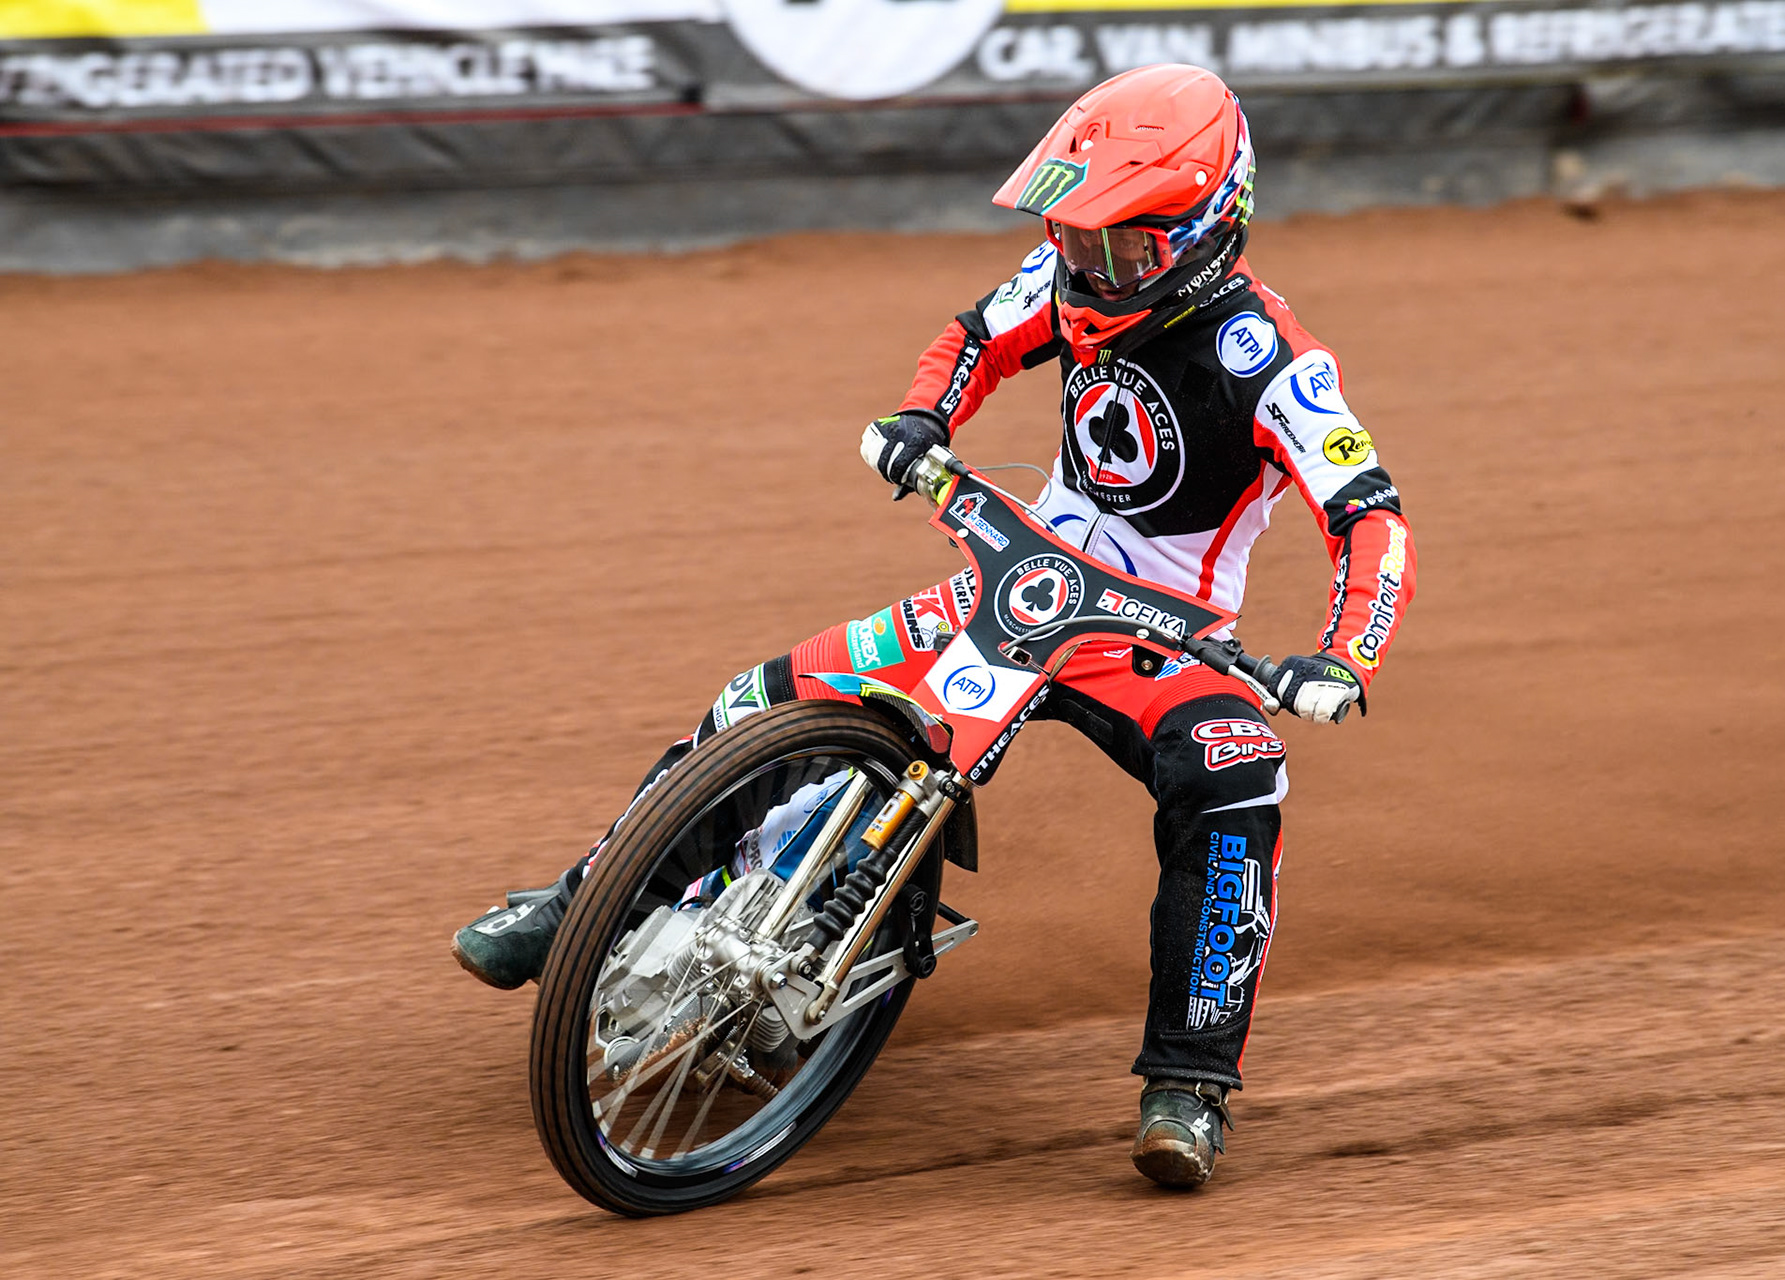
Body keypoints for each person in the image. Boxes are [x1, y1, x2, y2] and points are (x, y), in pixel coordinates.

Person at [452, 63, 1416, 1190]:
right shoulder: (1071, 268)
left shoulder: (1274, 361)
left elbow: (1371, 516)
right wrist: (922, 416)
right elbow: (974, 337)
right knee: (758, 698)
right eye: (1076, 237)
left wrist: (1344, 657)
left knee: (1237, 769)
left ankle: (1189, 1081)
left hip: (1159, 634)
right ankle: (584, 900)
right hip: (1017, 577)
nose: (1090, 267)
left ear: (1210, 228)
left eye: (1121, 250)